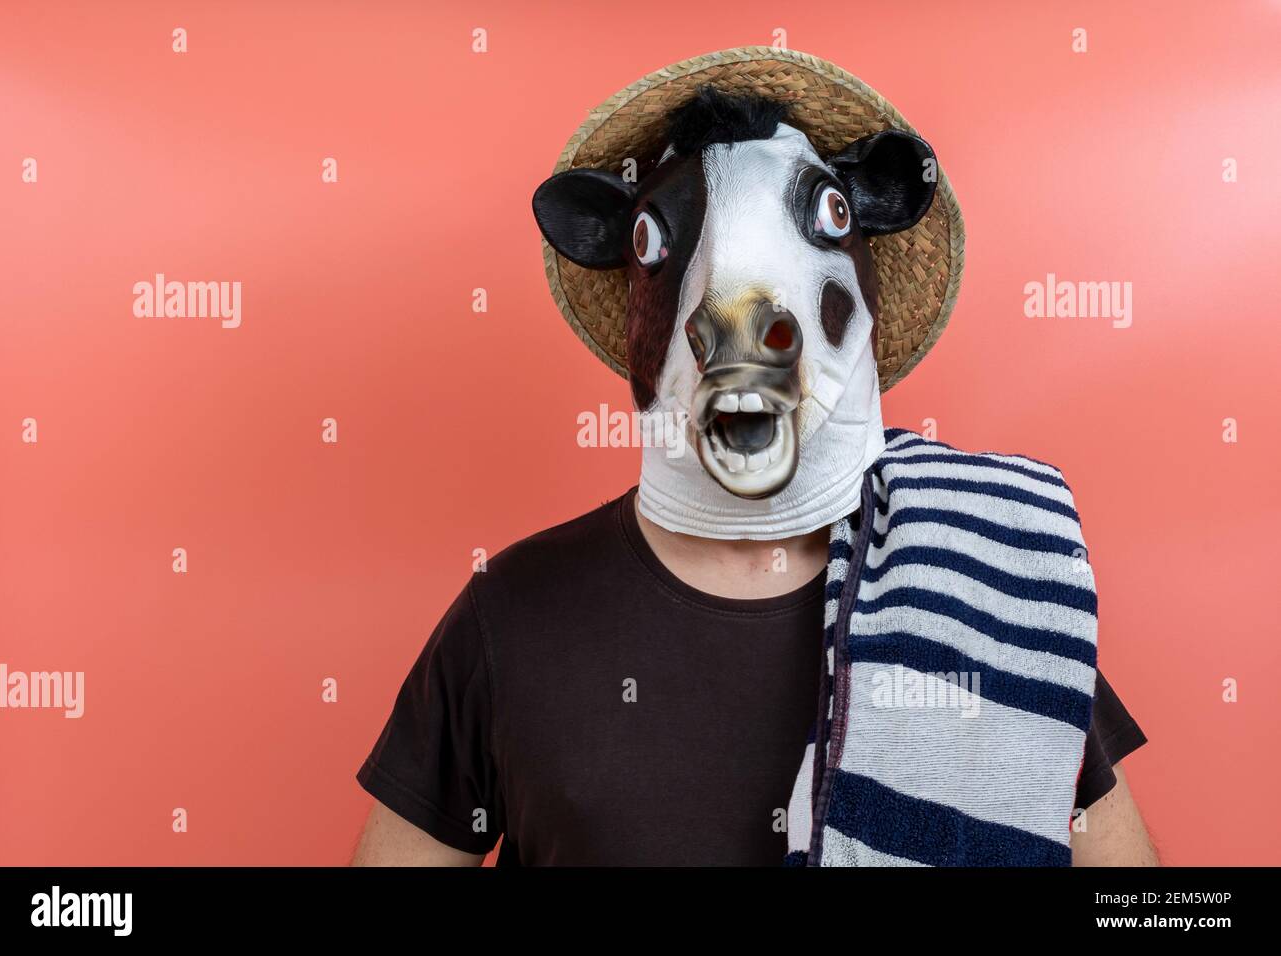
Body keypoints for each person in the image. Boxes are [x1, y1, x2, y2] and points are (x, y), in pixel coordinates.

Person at [351, 47, 1156, 867]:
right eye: (654, 236)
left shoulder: (986, 579)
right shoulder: (511, 612)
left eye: (830, 215)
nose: (737, 310)